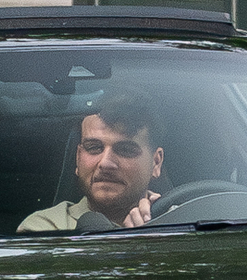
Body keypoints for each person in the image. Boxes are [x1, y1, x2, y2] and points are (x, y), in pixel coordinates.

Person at [19, 93, 165, 231]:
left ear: (156, 162)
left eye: (125, 150)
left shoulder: (179, 220)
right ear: (78, 158)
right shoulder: (45, 229)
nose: (105, 163)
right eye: (94, 148)